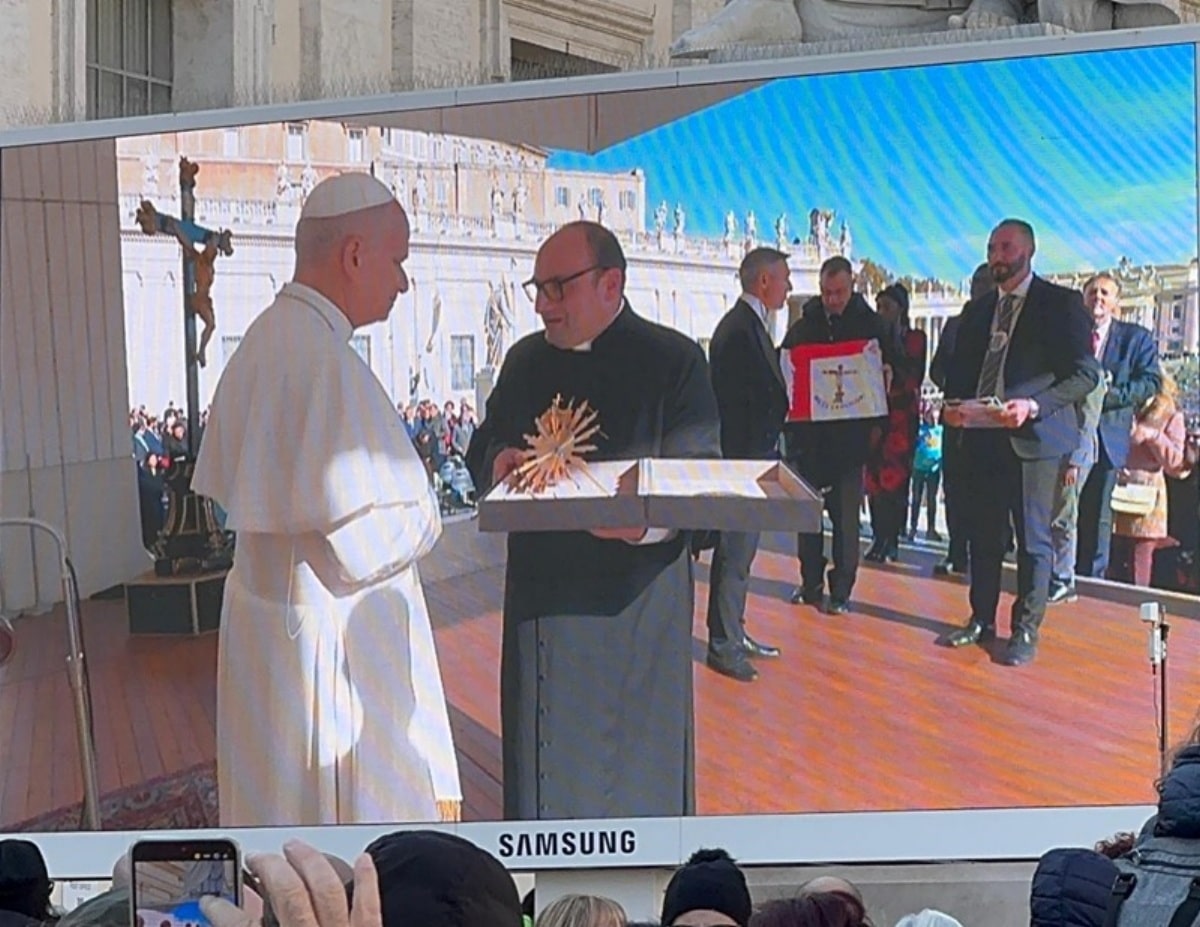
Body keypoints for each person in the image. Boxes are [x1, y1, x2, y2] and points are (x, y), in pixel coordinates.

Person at [192, 172, 461, 826]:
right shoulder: (325, 362)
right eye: (397, 261)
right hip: (323, 651)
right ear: (353, 255)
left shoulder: (263, 340)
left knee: (271, 812)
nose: (402, 281)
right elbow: (362, 545)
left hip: (266, 632)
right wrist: (428, 514)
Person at [465, 220, 721, 820]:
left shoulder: (675, 361)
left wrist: (642, 524)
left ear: (612, 283)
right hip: (543, 608)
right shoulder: (526, 359)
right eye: (538, 288)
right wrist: (497, 458)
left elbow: (702, 479)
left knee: (635, 788)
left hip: (636, 615)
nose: (542, 304)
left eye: (558, 287)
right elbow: (488, 439)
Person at [939, 219, 1100, 666]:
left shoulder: (1060, 304)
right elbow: (960, 377)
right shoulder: (977, 312)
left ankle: (1026, 628)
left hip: (1036, 441)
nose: (997, 256)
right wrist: (951, 409)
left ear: (1028, 251)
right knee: (983, 538)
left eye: (1006, 247)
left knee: (1033, 541)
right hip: (984, 441)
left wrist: (1035, 405)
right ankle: (980, 619)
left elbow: (1086, 374)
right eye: (992, 247)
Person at [781, 256, 900, 614]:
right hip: (810, 440)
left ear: (852, 287)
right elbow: (786, 370)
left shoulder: (873, 325)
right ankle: (811, 583)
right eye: (827, 292)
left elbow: (891, 371)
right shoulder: (803, 326)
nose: (832, 299)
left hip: (851, 442)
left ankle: (843, 591)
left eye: (839, 292)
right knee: (808, 517)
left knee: (847, 521)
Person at [703, 246, 791, 683]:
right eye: (784, 278)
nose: (790, 286)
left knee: (742, 554)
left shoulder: (747, 326)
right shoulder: (740, 331)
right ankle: (723, 644)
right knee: (734, 553)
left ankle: (734, 631)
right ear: (763, 282)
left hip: (750, 459)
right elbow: (741, 402)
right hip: (743, 462)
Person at [1074, 272, 1162, 579]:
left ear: (1116, 303)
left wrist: (1108, 397)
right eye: (1092, 292)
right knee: (1064, 511)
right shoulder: (1069, 335)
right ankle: (1060, 574)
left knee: (1097, 513)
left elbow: (1151, 381)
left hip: (1107, 436)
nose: (1098, 298)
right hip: (1067, 435)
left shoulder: (1134, 339)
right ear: (1083, 299)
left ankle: (1090, 580)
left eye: (1105, 293)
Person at [864, 282, 926, 562]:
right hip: (876, 417)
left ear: (901, 310)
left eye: (886, 307)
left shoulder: (915, 338)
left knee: (896, 480)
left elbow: (912, 374)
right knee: (874, 479)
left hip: (902, 419)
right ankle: (878, 536)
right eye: (878, 307)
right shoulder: (872, 340)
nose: (881, 313)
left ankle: (892, 539)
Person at [1108, 373, 1189, 586]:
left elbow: (1175, 463)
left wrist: (1153, 436)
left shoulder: (1170, 413)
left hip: (1148, 499)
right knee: (1112, 559)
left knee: (1140, 562)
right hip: (1117, 488)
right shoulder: (1122, 405)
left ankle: (1136, 610)